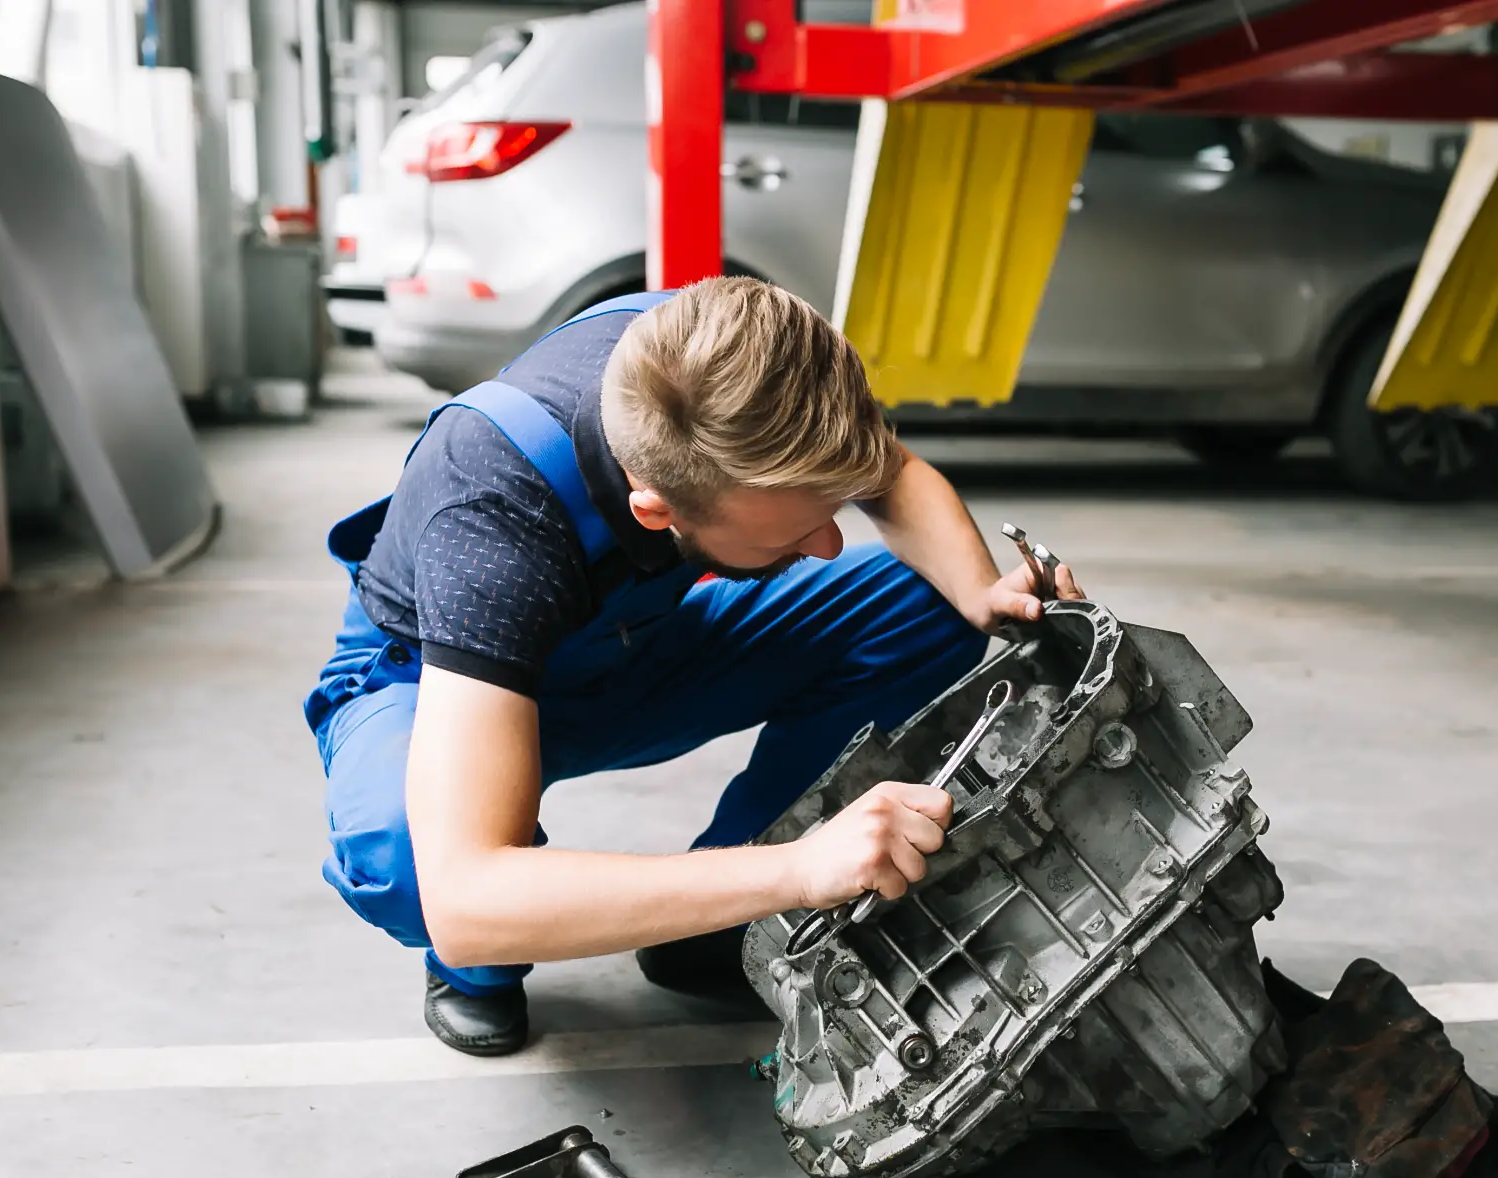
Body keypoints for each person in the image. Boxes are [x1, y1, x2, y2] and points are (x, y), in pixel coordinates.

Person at [304, 277, 1081, 1055]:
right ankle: (476, 975)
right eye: (793, 533)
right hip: (433, 679)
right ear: (657, 508)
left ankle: (725, 925)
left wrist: (984, 591)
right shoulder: (490, 517)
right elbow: (466, 898)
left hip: (631, 645)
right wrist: (799, 869)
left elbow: (890, 471)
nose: (829, 546)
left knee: (930, 599)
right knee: (422, 867)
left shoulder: (730, 363)